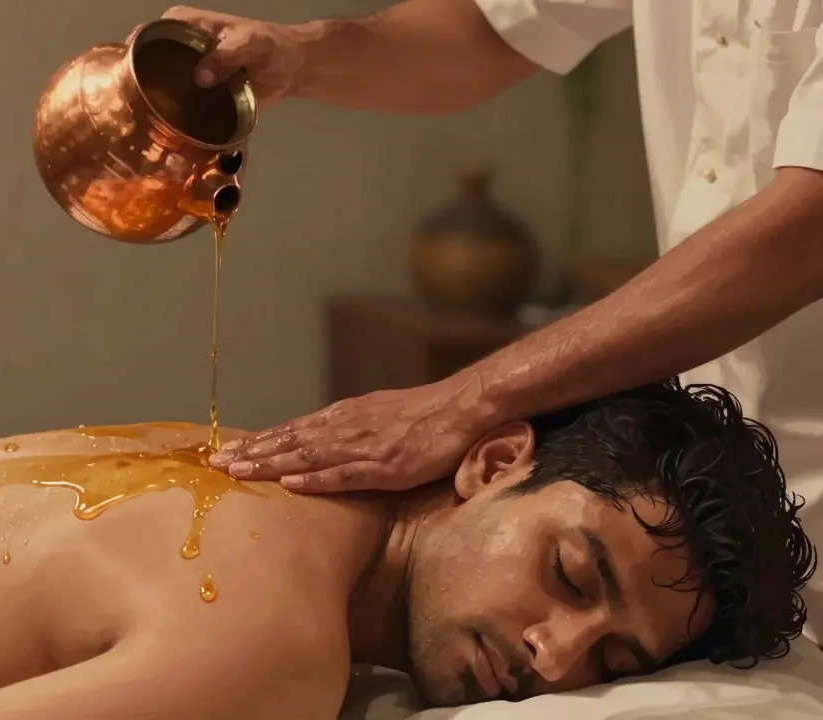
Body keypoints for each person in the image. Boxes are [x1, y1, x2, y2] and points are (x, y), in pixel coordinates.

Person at [0, 380, 810, 717]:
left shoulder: (251, 464)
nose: (554, 657)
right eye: (568, 575)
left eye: (609, 663)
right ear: (493, 460)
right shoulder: (275, 641)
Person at [166, 2, 823, 505]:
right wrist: (296, 53)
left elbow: (803, 231)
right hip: (718, 473)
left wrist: (463, 401)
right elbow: (492, 30)